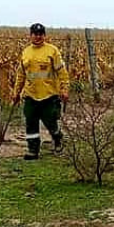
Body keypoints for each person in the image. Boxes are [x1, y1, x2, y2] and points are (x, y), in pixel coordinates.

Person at [13, 23, 70, 160]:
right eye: (35, 34)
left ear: (44, 35)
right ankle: (33, 150)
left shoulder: (52, 51)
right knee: (31, 123)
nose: (38, 37)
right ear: (30, 35)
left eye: (40, 34)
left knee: (51, 121)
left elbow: (61, 72)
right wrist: (16, 92)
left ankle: (57, 139)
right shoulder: (26, 52)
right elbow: (21, 74)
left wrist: (64, 88)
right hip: (30, 95)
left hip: (49, 95)